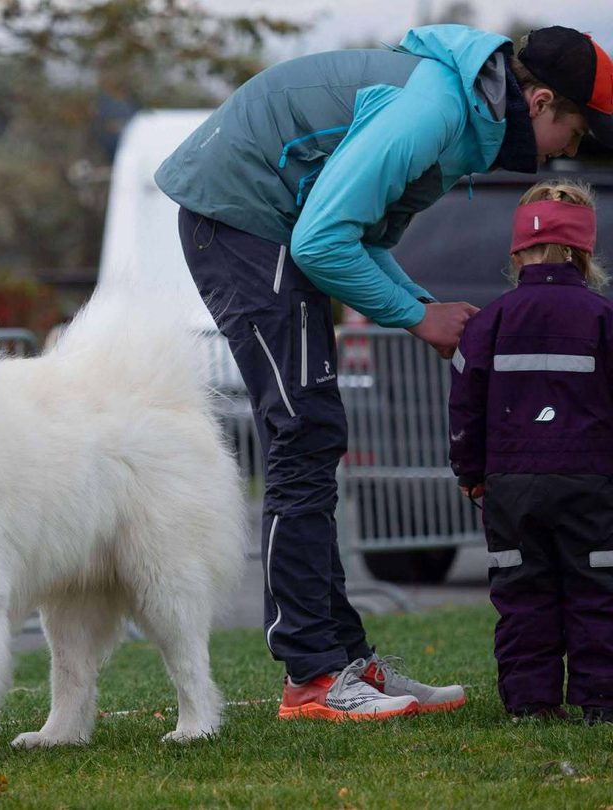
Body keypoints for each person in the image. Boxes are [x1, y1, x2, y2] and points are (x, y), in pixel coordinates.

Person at [156, 23, 613, 721]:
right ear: (542, 101)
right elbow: (320, 240)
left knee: (316, 432)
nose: (567, 156)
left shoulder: (461, 118)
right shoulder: (431, 112)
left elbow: (357, 238)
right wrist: (417, 317)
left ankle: (344, 659)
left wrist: (421, 305)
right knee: (302, 431)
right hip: (240, 214)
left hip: (270, 220)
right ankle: (311, 677)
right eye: (574, 135)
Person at [449, 179, 613, 723]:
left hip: (510, 488)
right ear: (582, 251)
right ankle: (600, 702)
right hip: (591, 485)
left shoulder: (489, 323)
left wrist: (471, 472)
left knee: (521, 593)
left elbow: (465, 408)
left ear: (517, 251)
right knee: (597, 590)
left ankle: (530, 704)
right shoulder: (602, 319)